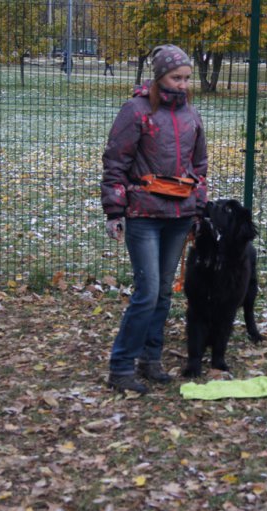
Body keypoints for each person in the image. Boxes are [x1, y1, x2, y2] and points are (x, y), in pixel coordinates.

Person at [100, 44, 208, 394]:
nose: (183, 84)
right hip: (144, 213)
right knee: (147, 291)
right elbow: (116, 161)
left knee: (163, 291)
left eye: (187, 78)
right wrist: (115, 210)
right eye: (176, 77)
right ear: (159, 77)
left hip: (180, 215)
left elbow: (200, 166)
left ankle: (151, 359)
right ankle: (120, 366)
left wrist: (198, 208)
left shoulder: (192, 115)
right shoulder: (136, 111)